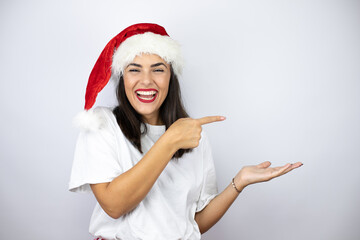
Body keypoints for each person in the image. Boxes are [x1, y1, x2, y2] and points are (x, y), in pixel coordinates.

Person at [69, 23, 303, 240]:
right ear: (122, 77)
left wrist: (238, 183)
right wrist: (169, 141)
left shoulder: (193, 135)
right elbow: (114, 205)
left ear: (171, 76)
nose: (147, 81)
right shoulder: (102, 123)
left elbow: (192, 223)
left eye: (158, 69)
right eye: (135, 70)